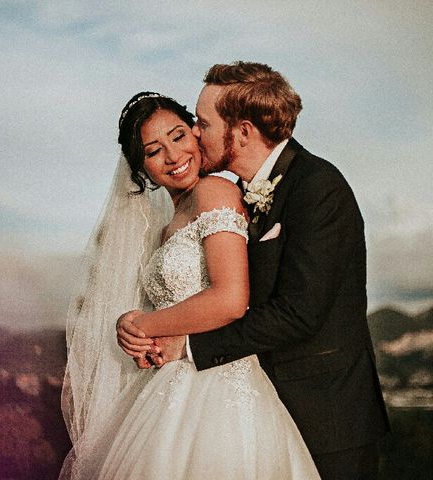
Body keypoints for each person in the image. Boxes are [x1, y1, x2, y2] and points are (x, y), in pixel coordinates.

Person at [118, 62, 390, 479]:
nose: (194, 135)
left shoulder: (318, 186)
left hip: (327, 415)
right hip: (260, 405)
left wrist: (187, 346)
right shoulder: (238, 194)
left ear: (242, 131)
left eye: (202, 124)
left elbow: (298, 313)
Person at [61, 92, 320, 479]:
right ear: (142, 169)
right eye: (153, 150)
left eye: (178, 136)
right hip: (168, 386)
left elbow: (231, 299)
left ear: (197, 134)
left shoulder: (213, 192)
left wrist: (142, 326)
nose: (172, 155)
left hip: (219, 390)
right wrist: (136, 335)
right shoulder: (170, 221)